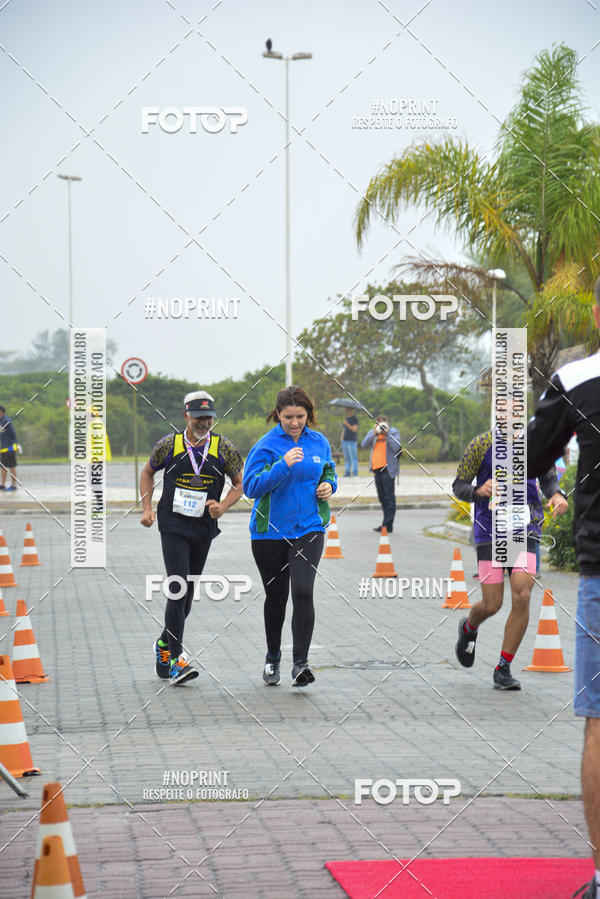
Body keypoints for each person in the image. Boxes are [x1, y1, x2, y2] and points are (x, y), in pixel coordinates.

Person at [527, 278, 600, 899]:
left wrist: (556, 482)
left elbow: (526, 456)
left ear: (597, 312)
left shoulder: (577, 379)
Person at [140, 391, 244, 685]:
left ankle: (163, 644)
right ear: (185, 416)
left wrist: (222, 505)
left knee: (186, 597)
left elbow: (240, 483)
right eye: (199, 418)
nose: (204, 422)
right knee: (177, 586)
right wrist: (147, 508)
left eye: (209, 417)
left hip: (203, 528)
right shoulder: (168, 445)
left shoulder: (223, 447)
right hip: (173, 525)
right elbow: (147, 473)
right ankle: (176, 661)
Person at [452, 427, 567, 690]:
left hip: (522, 529)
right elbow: (459, 485)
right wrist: (479, 490)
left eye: (516, 403)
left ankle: (503, 668)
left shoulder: (535, 443)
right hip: (489, 529)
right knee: (492, 604)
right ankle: (469, 628)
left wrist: (556, 494)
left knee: (522, 594)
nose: (510, 409)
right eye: (504, 403)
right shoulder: (481, 443)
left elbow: (549, 480)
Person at [243, 386, 336, 687]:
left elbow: (328, 471)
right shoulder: (267, 446)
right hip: (269, 533)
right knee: (277, 596)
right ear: (278, 415)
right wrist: (283, 465)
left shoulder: (319, 442)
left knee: (303, 592)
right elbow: (251, 487)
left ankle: (301, 664)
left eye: (300, 416)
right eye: (288, 417)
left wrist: (329, 486)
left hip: (309, 528)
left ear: (309, 414)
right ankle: (273, 658)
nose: (295, 423)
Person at [361, 415, 401, 533]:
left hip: (388, 469)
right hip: (377, 469)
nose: (381, 426)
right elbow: (363, 444)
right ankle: (386, 522)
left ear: (387, 423)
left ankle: (387, 525)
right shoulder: (373, 433)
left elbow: (396, 447)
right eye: (379, 423)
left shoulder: (393, 432)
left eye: (383, 423)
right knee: (382, 497)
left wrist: (386, 434)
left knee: (389, 498)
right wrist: (374, 432)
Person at [0, 405, 19, 491]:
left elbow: (13, 434)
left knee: (12, 466)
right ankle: (2, 485)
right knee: (3, 467)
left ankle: (13, 485)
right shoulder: (0, 421)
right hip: (3, 448)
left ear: (1, 411)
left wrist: (15, 445)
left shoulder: (6, 421)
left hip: (10, 448)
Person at [341, 407, 359, 477]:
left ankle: (355, 473)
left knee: (353, 457)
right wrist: (341, 438)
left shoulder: (355, 419)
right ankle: (347, 472)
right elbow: (344, 429)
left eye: (347, 410)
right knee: (346, 458)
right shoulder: (346, 419)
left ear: (350, 410)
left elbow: (354, 429)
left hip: (351, 441)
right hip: (344, 440)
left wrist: (347, 423)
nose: (346, 411)